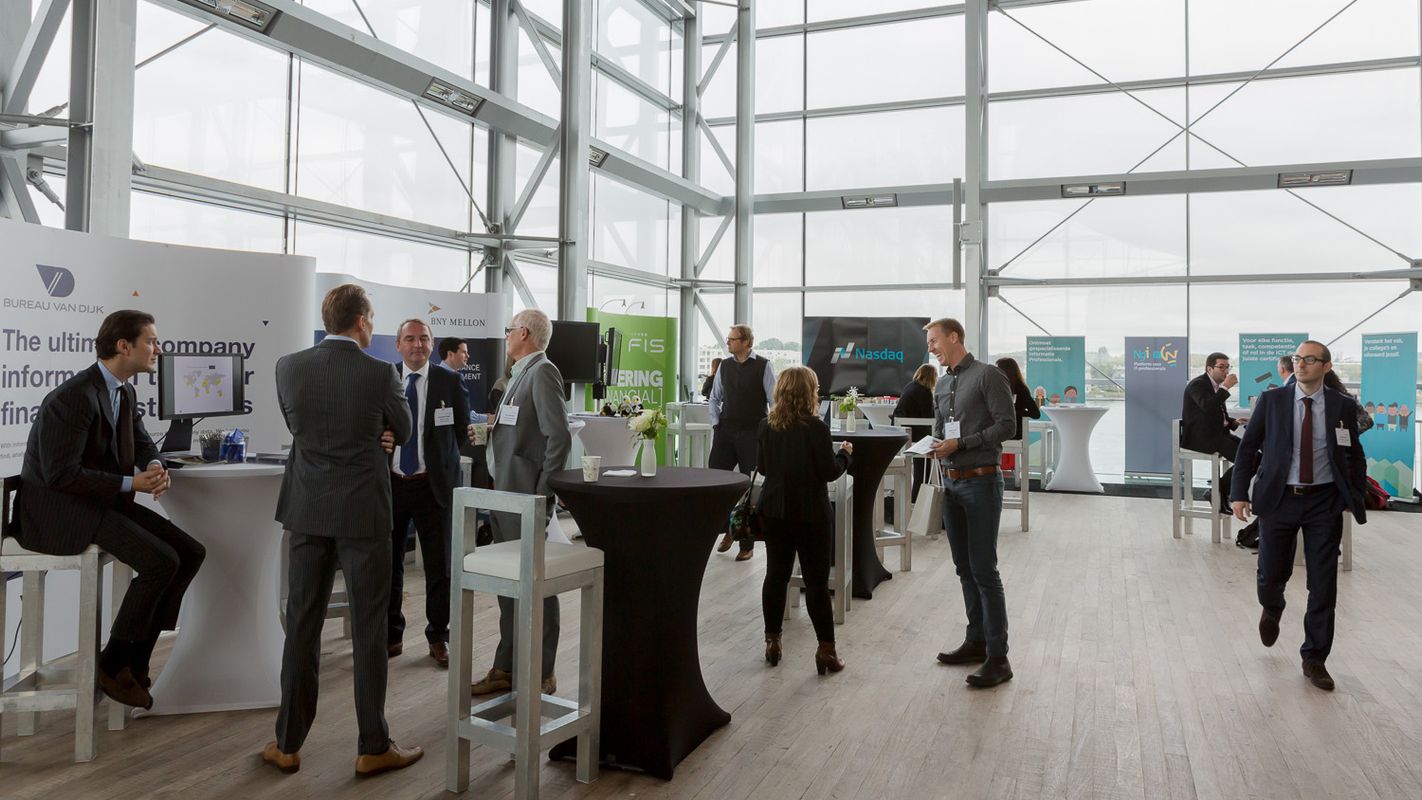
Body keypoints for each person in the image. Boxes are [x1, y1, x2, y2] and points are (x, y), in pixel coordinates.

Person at [265, 283, 422, 776]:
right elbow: (404, 430)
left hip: (308, 508)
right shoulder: (381, 373)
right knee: (369, 629)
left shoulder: (288, 367)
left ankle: (287, 744)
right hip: (363, 513)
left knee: (301, 625)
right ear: (361, 322)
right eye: (372, 321)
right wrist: (382, 432)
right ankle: (373, 745)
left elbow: (297, 427)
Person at [14, 310, 205, 710]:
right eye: (151, 341)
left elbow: (143, 442)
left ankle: (135, 660)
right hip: (60, 511)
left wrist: (155, 466)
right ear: (124, 346)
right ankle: (114, 661)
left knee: (190, 552)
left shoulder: (123, 391)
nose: (158, 349)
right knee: (160, 562)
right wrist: (130, 484)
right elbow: (60, 475)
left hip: (98, 501)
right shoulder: (74, 398)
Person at [1230, 341, 1367, 692]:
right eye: (1297, 359)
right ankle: (1272, 606)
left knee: (1323, 583)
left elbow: (1353, 451)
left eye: (1309, 359)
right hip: (1279, 499)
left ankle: (1315, 658)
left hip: (1324, 502)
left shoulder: (1341, 405)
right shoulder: (1272, 401)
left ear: (1326, 366)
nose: (1301, 365)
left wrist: (1352, 494)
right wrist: (1239, 493)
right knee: (1271, 573)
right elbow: (1247, 448)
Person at [470, 309, 572, 697]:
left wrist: (542, 494)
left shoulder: (542, 372)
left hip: (526, 497)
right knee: (509, 585)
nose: (506, 335)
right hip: (506, 493)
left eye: (509, 329)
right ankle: (507, 667)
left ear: (524, 333)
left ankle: (542, 670)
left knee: (536, 584)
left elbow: (558, 437)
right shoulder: (520, 374)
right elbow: (522, 430)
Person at [924, 319, 1017, 688]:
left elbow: (1007, 426)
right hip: (951, 483)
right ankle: (976, 641)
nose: (931, 348)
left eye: (934, 340)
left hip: (981, 482)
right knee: (963, 568)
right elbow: (939, 427)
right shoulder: (942, 383)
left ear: (954, 337)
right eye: (929, 342)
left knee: (984, 570)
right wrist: (933, 445)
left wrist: (961, 444)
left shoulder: (988, 375)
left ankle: (999, 657)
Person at [386, 319, 473, 669]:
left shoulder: (448, 381)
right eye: (409, 338)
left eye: (423, 338)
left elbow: (461, 431)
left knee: (440, 566)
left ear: (432, 344)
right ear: (398, 345)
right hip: (391, 484)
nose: (417, 345)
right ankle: (391, 634)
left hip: (433, 485)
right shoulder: (385, 378)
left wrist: (440, 460)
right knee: (389, 563)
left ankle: (438, 635)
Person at [755, 367, 853, 676]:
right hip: (811, 514)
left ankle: (773, 642)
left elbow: (762, 468)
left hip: (774, 511)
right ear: (809, 392)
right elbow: (829, 472)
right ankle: (826, 650)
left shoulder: (766, 426)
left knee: (775, 576)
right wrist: (845, 454)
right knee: (816, 584)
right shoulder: (817, 428)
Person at [709, 324, 776, 562]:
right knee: (716, 482)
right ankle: (728, 529)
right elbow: (714, 398)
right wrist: (716, 424)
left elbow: (774, 401)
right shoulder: (725, 366)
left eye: (732, 339)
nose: (728, 342)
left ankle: (746, 543)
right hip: (725, 431)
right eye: (728, 339)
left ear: (746, 342)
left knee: (750, 489)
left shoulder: (764, 365)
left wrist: (771, 430)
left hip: (752, 433)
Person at [1180, 352, 1245, 514]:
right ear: (1209, 369)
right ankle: (1219, 491)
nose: (1226, 371)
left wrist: (1232, 422)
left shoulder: (1215, 386)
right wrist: (1225, 388)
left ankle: (1217, 490)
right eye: (1221, 367)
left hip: (1219, 435)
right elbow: (1207, 406)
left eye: (1227, 367)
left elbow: (1217, 414)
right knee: (1247, 461)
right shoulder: (1198, 384)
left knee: (1256, 458)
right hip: (1203, 437)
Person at [893, 363, 937, 502]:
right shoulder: (924, 392)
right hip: (917, 433)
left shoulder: (910, 386)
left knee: (920, 468)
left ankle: (914, 501)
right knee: (924, 470)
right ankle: (919, 501)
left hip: (904, 431)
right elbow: (929, 418)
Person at [994, 357, 1041, 475]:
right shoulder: (999, 387)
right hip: (1001, 428)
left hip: (1014, 431)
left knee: (983, 440)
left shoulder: (1021, 389)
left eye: (998, 369)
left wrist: (1015, 411)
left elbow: (1036, 413)